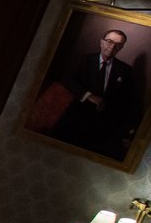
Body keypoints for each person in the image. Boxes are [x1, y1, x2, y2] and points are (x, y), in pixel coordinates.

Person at [44, 25, 143, 160]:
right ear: (102, 42)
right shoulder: (84, 60)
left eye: (118, 45)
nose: (112, 47)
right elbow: (66, 79)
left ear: (122, 48)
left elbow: (128, 102)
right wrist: (88, 96)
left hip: (102, 128)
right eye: (109, 41)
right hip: (75, 121)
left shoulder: (125, 71)